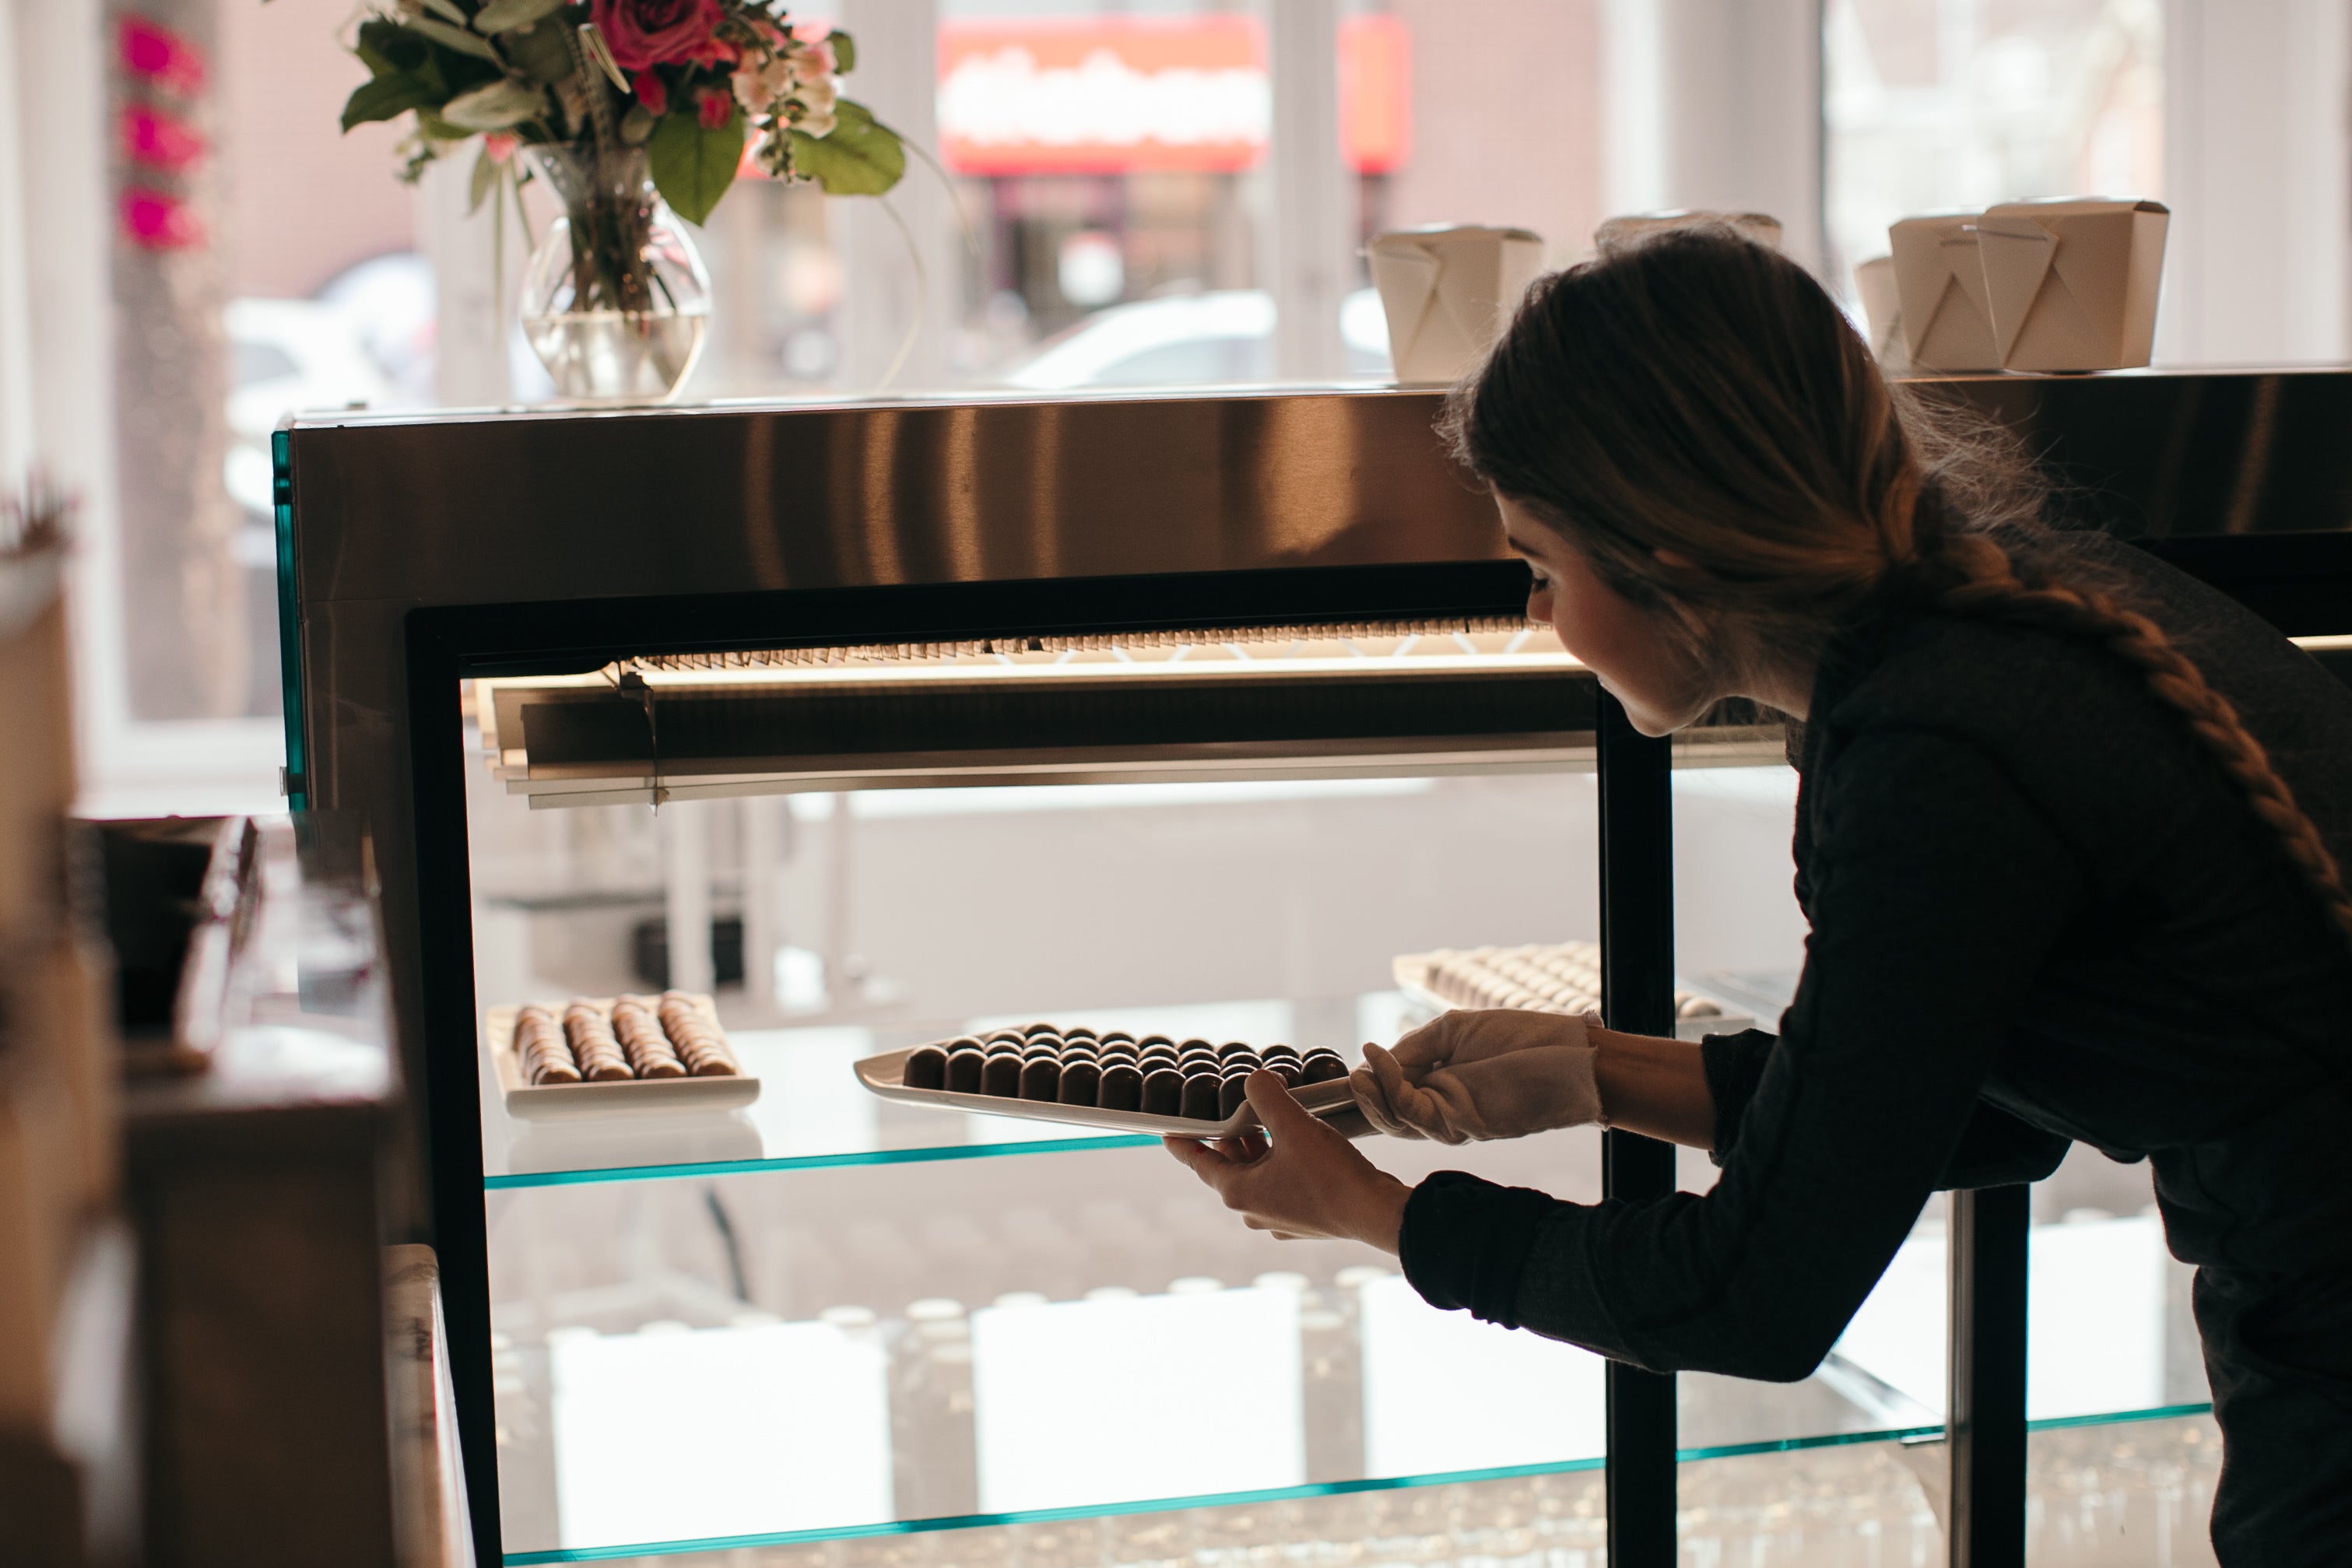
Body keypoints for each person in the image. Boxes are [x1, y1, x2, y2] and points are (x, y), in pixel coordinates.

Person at [1165, 226, 2352, 1563]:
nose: (1541, 615)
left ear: (1661, 555)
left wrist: (1379, 1214)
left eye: (1541, 568)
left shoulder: (1931, 749)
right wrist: (1597, 1072)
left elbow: (1749, 1302)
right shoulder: (1965, 638)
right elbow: (1978, 1111)